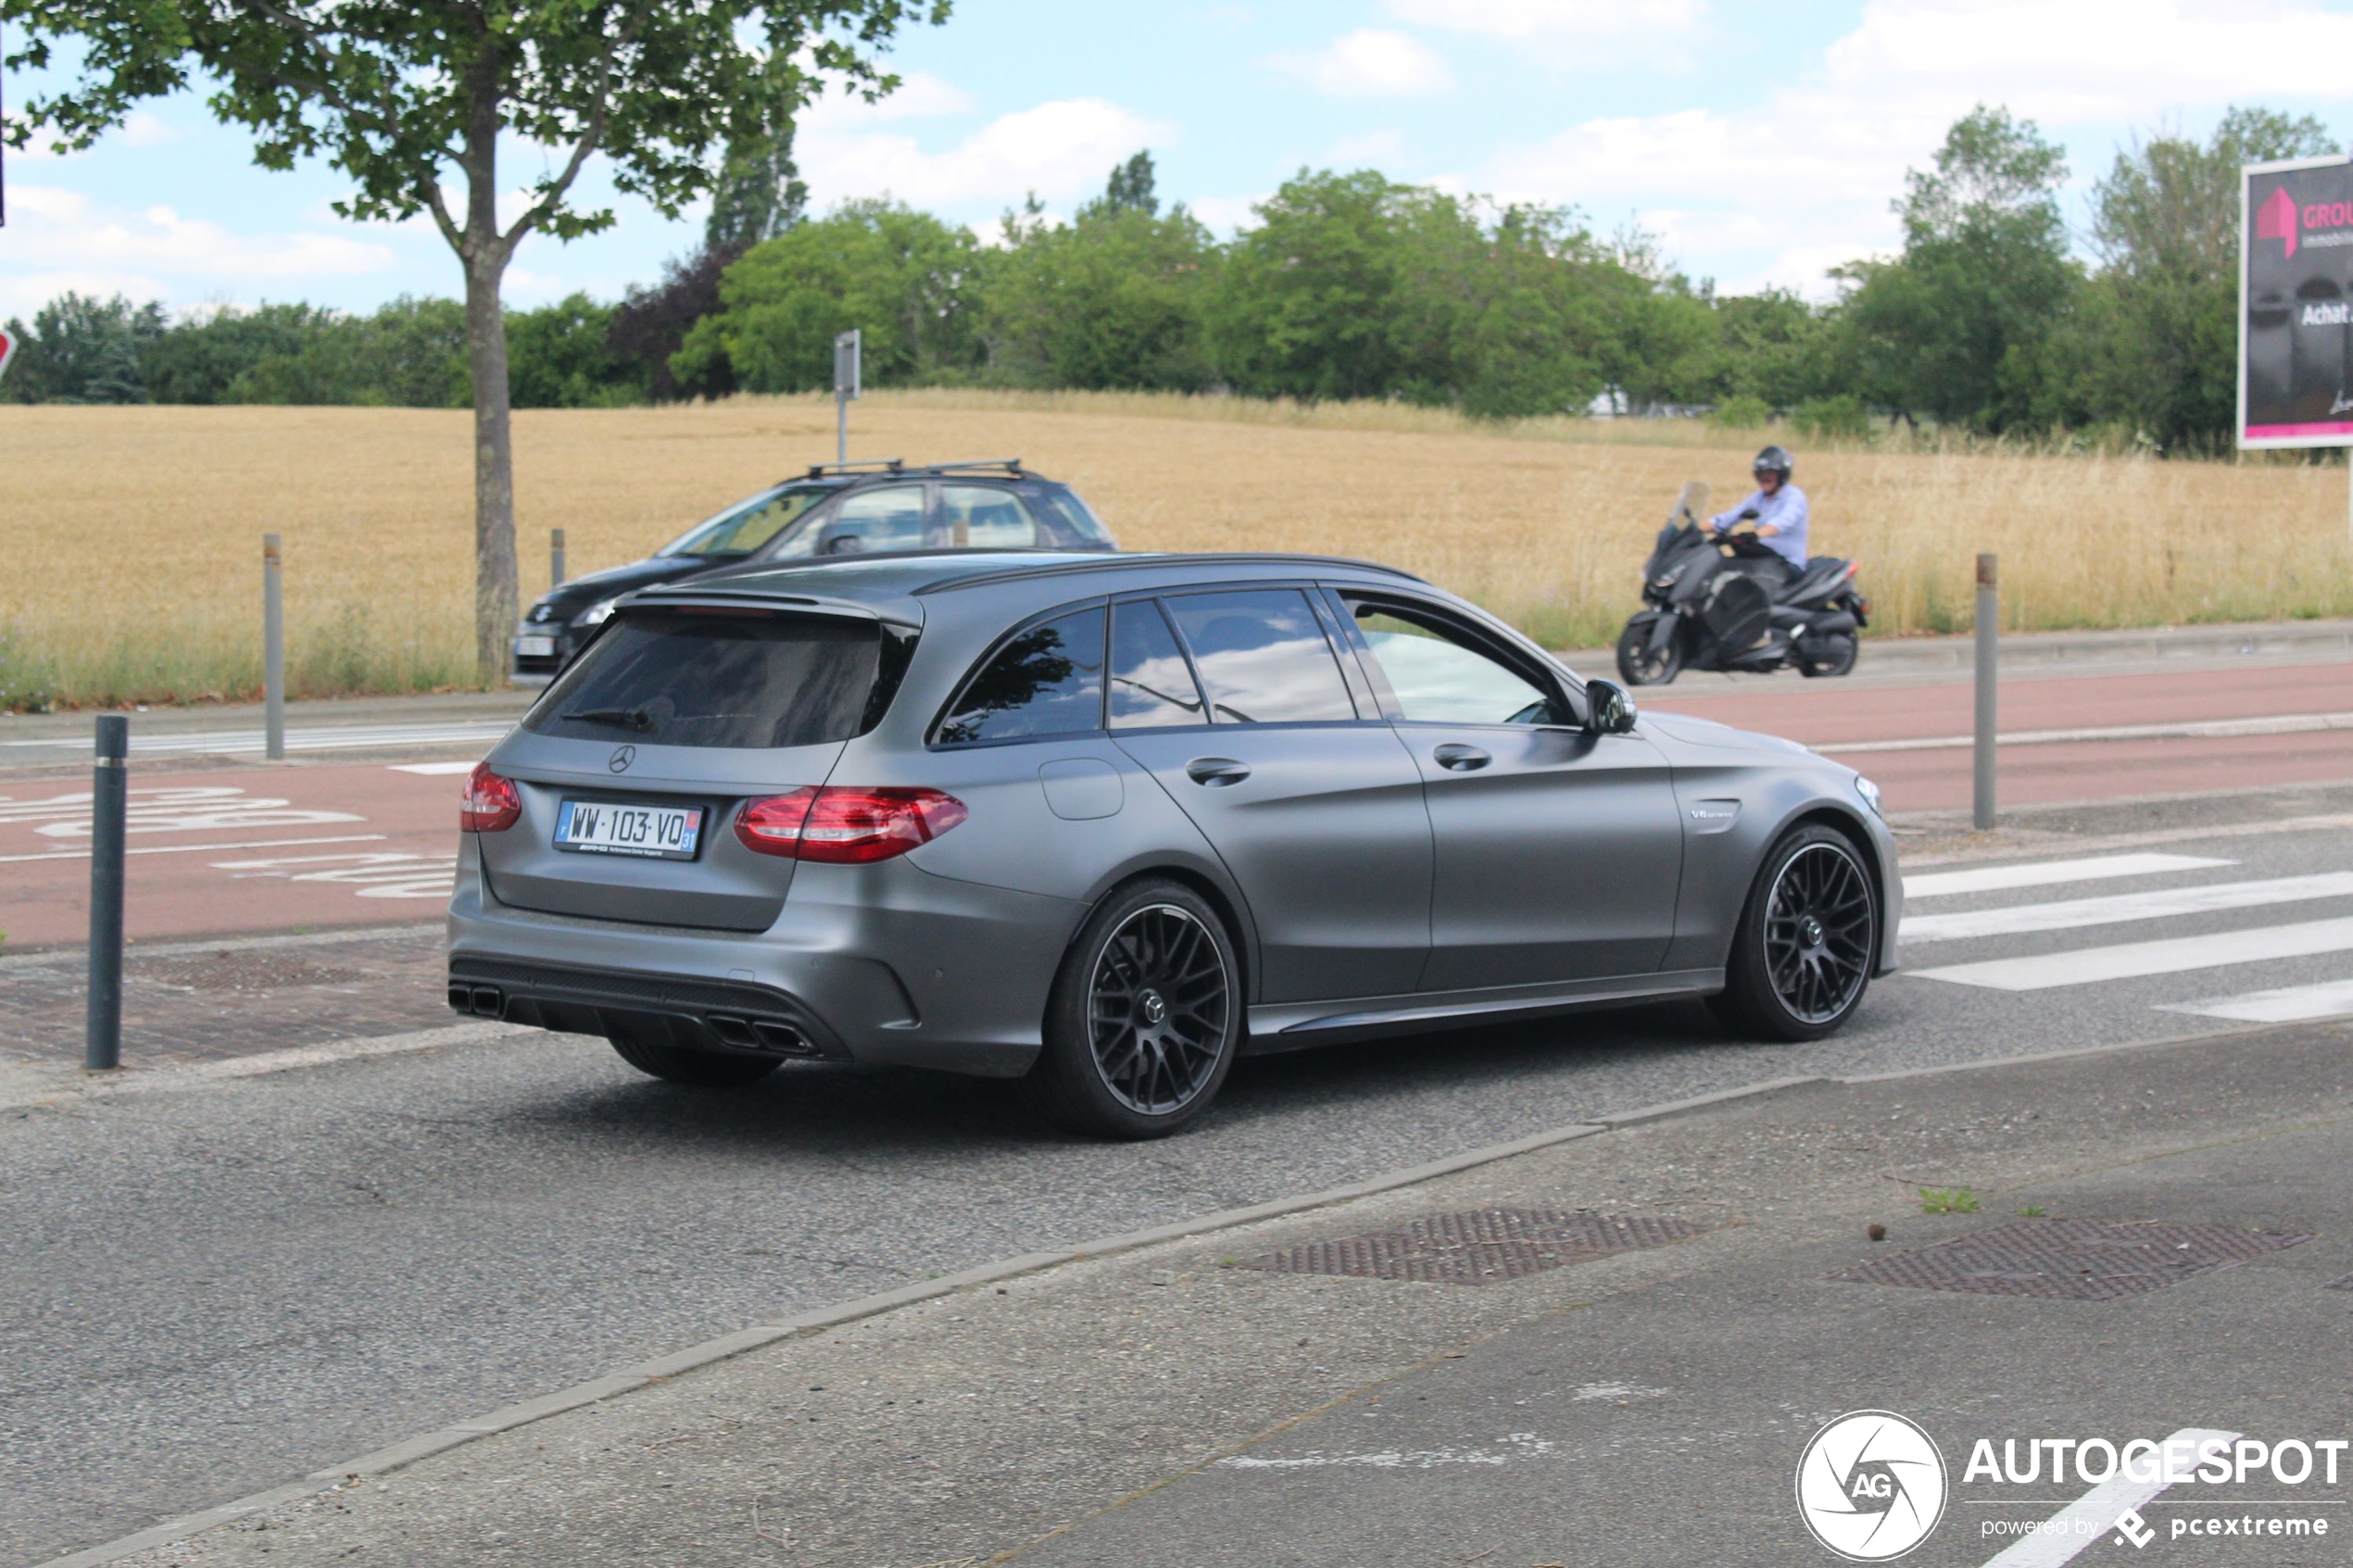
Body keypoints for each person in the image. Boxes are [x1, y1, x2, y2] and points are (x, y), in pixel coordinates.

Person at [1709, 445, 1808, 576]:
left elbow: (1780, 524)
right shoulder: (1758, 497)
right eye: (1760, 474)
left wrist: (1754, 535)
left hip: (1787, 564)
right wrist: (1689, 530)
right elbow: (1726, 519)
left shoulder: (1794, 497)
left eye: (1770, 474)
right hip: (1763, 558)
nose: (1764, 478)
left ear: (1782, 475)